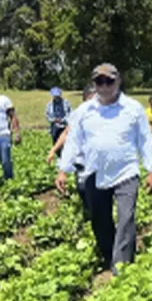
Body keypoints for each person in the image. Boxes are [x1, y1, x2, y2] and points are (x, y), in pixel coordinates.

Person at [56, 63, 152, 274]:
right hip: (94, 172)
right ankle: (109, 253)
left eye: (108, 81)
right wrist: (63, 169)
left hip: (126, 171)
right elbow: (73, 141)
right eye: (98, 82)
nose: (104, 86)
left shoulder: (133, 108)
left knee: (126, 218)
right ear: (94, 84)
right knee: (100, 219)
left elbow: (145, 139)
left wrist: (151, 169)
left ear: (118, 81)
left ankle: (121, 266)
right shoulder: (84, 111)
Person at [47, 86, 96, 221]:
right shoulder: (78, 116)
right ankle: (90, 212)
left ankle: (98, 217)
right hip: (82, 162)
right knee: (82, 189)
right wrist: (54, 150)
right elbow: (66, 133)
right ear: (84, 101)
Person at [45, 87, 71, 156]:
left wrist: (62, 120)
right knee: (55, 143)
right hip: (54, 127)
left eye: (57, 96)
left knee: (65, 144)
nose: (56, 97)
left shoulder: (66, 103)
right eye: (55, 96)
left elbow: (71, 115)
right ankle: (57, 156)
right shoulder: (49, 105)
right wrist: (53, 120)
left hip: (64, 127)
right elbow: (47, 116)